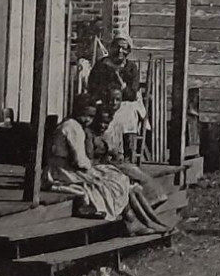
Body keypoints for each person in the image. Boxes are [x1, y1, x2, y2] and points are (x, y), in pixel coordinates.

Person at [46, 94, 168, 236]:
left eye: (91, 117)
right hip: (65, 171)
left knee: (119, 178)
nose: (88, 120)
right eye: (85, 115)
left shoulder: (72, 125)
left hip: (66, 168)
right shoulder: (73, 128)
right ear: (77, 111)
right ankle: (138, 222)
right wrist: (95, 171)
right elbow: (80, 161)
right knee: (115, 181)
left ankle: (149, 220)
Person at [88, 34, 140, 111]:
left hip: (125, 107)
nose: (120, 51)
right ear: (111, 48)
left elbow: (132, 95)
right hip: (104, 105)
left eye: (124, 48)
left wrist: (120, 81)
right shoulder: (101, 65)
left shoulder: (131, 68)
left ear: (128, 51)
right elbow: (92, 89)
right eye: (117, 47)